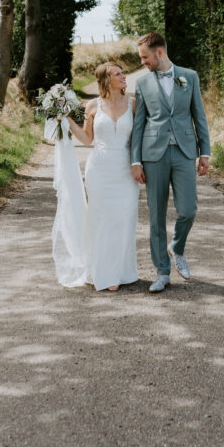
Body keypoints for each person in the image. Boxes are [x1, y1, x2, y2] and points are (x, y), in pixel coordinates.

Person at [130, 32, 211, 293]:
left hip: (185, 152)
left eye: (145, 57)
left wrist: (205, 152)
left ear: (160, 53)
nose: (142, 62)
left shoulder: (190, 76)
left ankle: (176, 247)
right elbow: (139, 124)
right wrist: (136, 160)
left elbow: (199, 116)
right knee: (156, 215)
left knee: (188, 210)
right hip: (153, 154)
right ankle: (162, 272)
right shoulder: (142, 84)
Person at [64, 62, 139, 292]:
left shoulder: (133, 104)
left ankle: (122, 271)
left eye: (123, 73)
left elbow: (139, 139)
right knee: (101, 219)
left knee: (124, 219)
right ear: (106, 80)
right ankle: (104, 273)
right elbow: (87, 139)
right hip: (99, 169)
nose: (123, 76)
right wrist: (66, 119)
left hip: (126, 169)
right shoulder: (93, 105)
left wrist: (140, 164)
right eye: (118, 74)